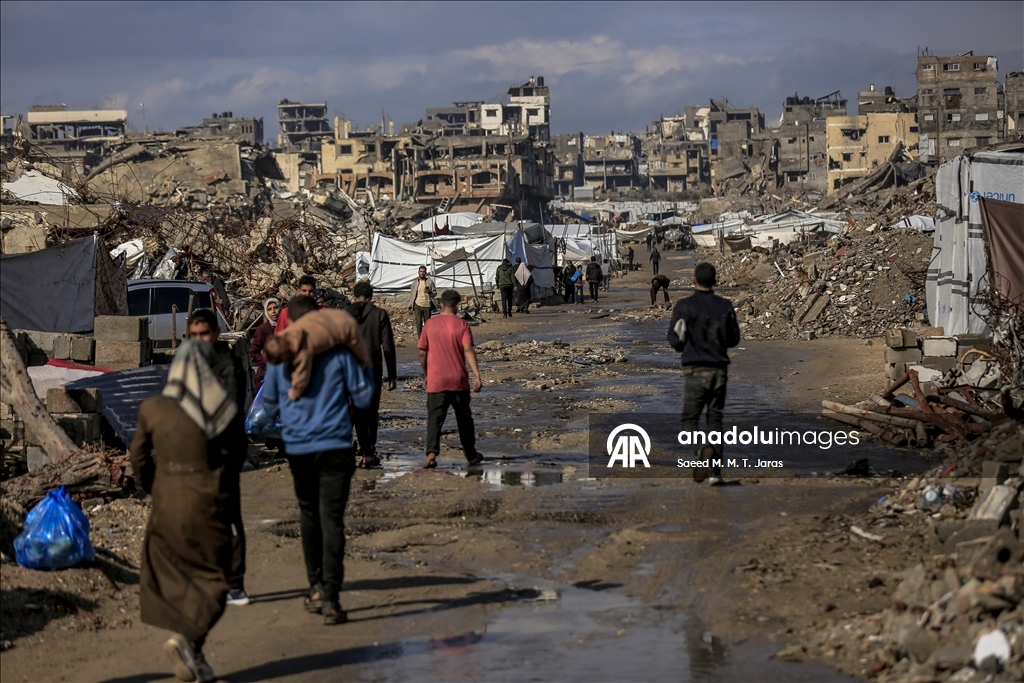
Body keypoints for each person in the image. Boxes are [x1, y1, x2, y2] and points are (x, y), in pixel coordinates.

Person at [262, 295, 374, 625]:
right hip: (336, 444)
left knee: (308, 513)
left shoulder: (281, 356)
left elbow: (268, 404)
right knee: (332, 519)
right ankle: (331, 597)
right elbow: (364, 397)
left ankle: (314, 587)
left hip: (298, 447)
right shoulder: (340, 353)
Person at [130, 341, 238, 683]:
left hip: (165, 501)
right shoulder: (218, 407)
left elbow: (139, 457)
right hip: (207, 499)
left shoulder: (152, 407)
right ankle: (186, 639)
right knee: (218, 578)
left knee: (180, 574)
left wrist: (153, 487)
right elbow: (235, 454)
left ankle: (195, 655)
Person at [187, 309, 249, 607]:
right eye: (194, 335)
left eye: (204, 334)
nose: (199, 340)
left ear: (214, 333)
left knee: (228, 518)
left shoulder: (226, 364)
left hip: (224, 452)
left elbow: (228, 410)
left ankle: (235, 584)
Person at [667, 263, 740, 486]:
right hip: (719, 370)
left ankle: (700, 449)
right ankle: (714, 474)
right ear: (715, 282)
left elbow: (674, 340)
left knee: (689, 420)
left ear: (693, 280)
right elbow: (733, 339)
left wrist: (689, 346)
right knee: (715, 420)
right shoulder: (725, 305)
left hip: (694, 369)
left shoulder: (684, 306)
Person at [418, 289, 483, 470]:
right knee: (464, 419)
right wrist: (477, 374)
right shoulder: (462, 325)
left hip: (436, 380)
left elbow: (422, 352)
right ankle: (471, 455)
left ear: (441, 305)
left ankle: (431, 453)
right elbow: (468, 349)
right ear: (457, 305)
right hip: (458, 380)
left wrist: (426, 373)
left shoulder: (430, 324)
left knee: (434, 419)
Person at [262, 308, 371, 401]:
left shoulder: (303, 352)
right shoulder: (290, 332)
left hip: (346, 328)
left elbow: (302, 375)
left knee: (362, 360)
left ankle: (366, 382)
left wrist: (294, 393)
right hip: (335, 316)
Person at [345, 281, 397, 469]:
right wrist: (392, 374)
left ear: (354, 296)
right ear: (371, 296)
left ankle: (362, 449)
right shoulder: (379, 314)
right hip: (372, 370)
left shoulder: (344, 315)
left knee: (357, 411)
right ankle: (369, 450)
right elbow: (388, 347)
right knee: (372, 412)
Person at [250, 298, 280, 395]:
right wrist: (268, 364)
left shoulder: (287, 326)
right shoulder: (263, 329)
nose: (273, 311)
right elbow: (254, 351)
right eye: (269, 309)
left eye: (276, 308)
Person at [408, 266, 436, 338]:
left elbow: (435, 293)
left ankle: (427, 337)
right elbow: (412, 295)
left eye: (423, 272)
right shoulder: (415, 283)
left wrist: (429, 292)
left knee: (427, 323)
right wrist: (410, 306)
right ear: (418, 272)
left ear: (426, 273)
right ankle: (420, 338)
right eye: (421, 271)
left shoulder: (429, 282)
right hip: (417, 305)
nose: (422, 273)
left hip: (427, 305)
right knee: (418, 323)